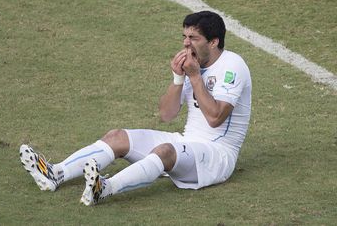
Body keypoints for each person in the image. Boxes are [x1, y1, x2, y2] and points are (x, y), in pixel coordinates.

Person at [19, 11, 252, 206]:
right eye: (184, 36)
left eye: (194, 37)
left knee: (164, 151)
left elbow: (215, 118)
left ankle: (105, 188)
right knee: (117, 137)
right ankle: (55, 174)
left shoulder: (232, 66)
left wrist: (195, 77)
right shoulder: (193, 66)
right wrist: (178, 78)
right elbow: (166, 114)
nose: (185, 43)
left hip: (217, 157)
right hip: (187, 142)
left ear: (213, 42)